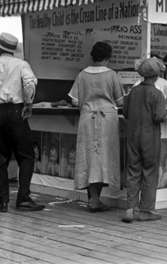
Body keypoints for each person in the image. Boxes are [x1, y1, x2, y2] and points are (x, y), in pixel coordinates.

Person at [0, 32, 45, 212]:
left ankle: (2, 202)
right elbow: (29, 84)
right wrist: (28, 104)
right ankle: (23, 198)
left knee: (0, 158)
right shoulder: (21, 65)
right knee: (27, 156)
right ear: (13, 51)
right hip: (15, 113)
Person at [69, 41, 124, 213]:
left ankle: (94, 199)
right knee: (104, 157)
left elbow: (74, 100)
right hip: (107, 119)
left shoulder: (82, 75)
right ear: (108, 57)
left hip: (87, 118)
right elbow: (120, 100)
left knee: (89, 158)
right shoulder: (112, 75)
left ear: (92, 56)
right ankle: (95, 199)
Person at [122, 57, 167, 223]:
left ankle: (129, 209)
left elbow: (125, 112)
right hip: (150, 137)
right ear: (156, 76)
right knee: (149, 171)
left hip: (133, 135)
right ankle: (145, 210)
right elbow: (160, 116)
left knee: (133, 170)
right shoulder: (157, 94)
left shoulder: (133, 92)